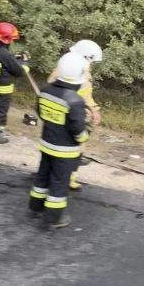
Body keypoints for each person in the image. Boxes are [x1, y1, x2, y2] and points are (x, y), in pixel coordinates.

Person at [28, 52, 90, 230]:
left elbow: (40, 112)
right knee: (59, 183)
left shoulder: (45, 90)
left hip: (47, 144)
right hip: (65, 151)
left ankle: (35, 207)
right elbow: (77, 127)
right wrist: (83, 139)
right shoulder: (75, 101)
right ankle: (53, 218)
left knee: (42, 176)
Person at [47, 39, 104, 192]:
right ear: (86, 57)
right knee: (76, 144)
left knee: (72, 145)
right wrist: (92, 109)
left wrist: (93, 109)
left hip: (74, 109)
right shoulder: (73, 71)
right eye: (91, 61)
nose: (92, 64)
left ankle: (65, 175)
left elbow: (86, 94)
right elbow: (81, 94)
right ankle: (64, 177)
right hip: (72, 111)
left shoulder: (72, 68)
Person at [0, 21, 30, 145]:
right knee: (1, 112)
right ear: (5, 39)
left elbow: (4, 61)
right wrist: (24, 63)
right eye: (11, 39)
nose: (12, 41)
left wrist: (14, 57)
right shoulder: (5, 54)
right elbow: (19, 72)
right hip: (2, 90)